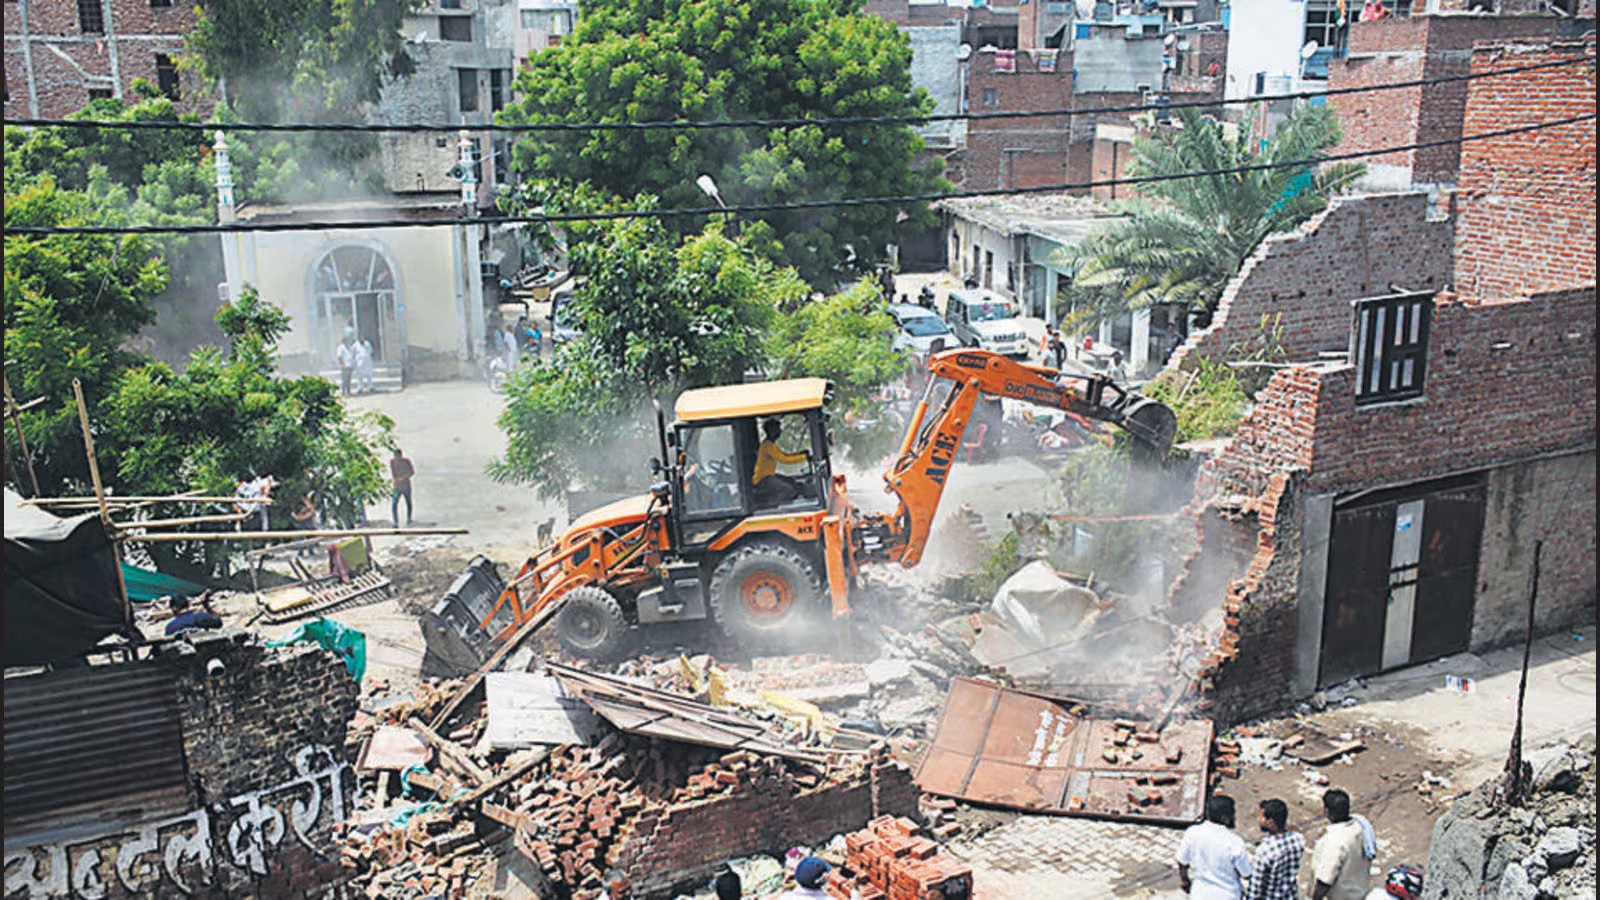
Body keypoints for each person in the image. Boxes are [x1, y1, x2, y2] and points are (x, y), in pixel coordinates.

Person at [1175, 794, 1252, 899]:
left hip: (1199, 894)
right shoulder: (1235, 843)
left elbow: (1182, 861)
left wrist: (1185, 881)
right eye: (1232, 814)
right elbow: (1246, 874)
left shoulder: (1192, 833)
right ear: (1225, 818)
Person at [1311, 789, 1371, 900]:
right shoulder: (1360, 827)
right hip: (1359, 892)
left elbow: (1325, 881)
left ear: (1327, 811)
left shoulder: (1334, 841)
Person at [1248, 798, 1305, 900]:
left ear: (1270, 822)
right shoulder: (1298, 839)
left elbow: (1255, 890)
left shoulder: (1264, 851)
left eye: (1261, 817)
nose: (1258, 819)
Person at [751, 418, 810, 506]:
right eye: (777, 429)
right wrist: (804, 457)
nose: (780, 431)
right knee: (788, 490)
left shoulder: (771, 444)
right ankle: (771, 506)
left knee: (791, 481)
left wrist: (800, 454)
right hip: (762, 480)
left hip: (769, 476)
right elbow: (784, 460)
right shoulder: (767, 446)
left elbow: (785, 455)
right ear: (770, 430)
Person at [390, 448, 415, 526]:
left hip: (406, 485)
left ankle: (409, 518)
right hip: (397, 486)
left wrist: (403, 478)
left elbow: (412, 472)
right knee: (394, 504)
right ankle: (395, 521)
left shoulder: (406, 461)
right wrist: (397, 480)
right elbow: (393, 473)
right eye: (395, 456)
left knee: (408, 503)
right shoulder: (392, 462)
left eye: (398, 456)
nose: (397, 458)